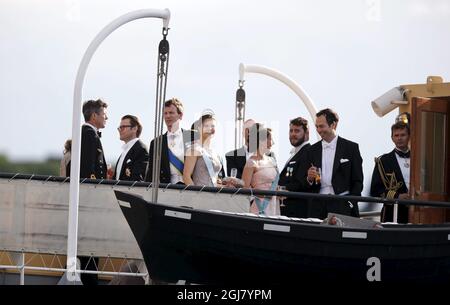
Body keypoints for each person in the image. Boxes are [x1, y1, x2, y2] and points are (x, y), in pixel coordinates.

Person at [305, 108, 363, 219]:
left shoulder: (351, 148)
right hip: (317, 206)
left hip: (342, 204)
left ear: (333, 125)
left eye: (322, 126)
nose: (319, 130)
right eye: (317, 126)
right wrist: (309, 178)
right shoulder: (311, 150)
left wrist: (350, 203)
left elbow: (358, 181)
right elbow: (305, 182)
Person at [79, 98, 108, 285]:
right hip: (90, 200)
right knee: (89, 251)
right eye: (104, 114)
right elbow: (88, 170)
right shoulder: (89, 134)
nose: (107, 118)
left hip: (88, 200)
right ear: (94, 115)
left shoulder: (87, 133)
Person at [370, 121, 410, 223]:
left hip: (419, 211)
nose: (399, 138)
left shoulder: (420, 158)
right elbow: (375, 191)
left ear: (409, 136)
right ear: (392, 138)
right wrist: (397, 196)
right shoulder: (383, 161)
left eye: (403, 135)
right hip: (393, 212)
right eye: (396, 135)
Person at [145, 98, 191, 184]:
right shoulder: (156, 142)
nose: (167, 116)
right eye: (165, 113)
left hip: (190, 188)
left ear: (180, 115)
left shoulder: (191, 137)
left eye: (171, 113)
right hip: (167, 190)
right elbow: (151, 173)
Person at [242, 123, 280, 216]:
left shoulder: (272, 160)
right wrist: (263, 194)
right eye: (271, 139)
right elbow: (245, 189)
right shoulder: (251, 162)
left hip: (275, 205)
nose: (273, 143)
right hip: (260, 207)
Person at [278, 117, 311, 218]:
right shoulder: (296, 152)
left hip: (296, 209)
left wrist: (282, 189)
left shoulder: (308, 152)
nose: (293, 134)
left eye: (297, 131)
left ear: (306, 133)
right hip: (288, 207)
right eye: (291, 131)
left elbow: (301, 181)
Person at [183, 113, 225, 186]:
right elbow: (186, 177)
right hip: (200, 194)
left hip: (215, 195)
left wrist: (225, 186)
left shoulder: (215, 153)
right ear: (199, 128)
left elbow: (214, 182)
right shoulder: (193, 149)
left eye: (213, 126)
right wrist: (195, 194)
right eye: (206, 126)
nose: (210, 128)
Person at [114, 115, 149, 181]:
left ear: (134, 129)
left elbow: (138, 180)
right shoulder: (125, 150)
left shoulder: (141, 149)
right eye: (119, 128)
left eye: (123, 127)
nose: (120, 130)